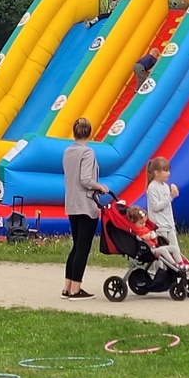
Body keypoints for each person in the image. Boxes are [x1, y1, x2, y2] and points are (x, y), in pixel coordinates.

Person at [62, 117, 109, 299]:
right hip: (86, 204)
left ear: (74, 132)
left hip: (72, 203)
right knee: (83, 248)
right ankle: (76, 289)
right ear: (90, 133)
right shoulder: (87, 152)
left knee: (76, 247)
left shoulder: (68, 152)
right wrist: (100, 187)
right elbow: (86, 179)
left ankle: (67, 287)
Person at [143, 155, 183, 265]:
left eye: (168, 171)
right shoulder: (152, 187)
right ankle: (161, 270)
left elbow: (167, 206)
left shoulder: (165, 186)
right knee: (162, 251)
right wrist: (171, 196)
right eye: (165, 171)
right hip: (160, 225)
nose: (168, 173)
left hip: (169, 223)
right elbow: (156, 207)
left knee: (175, 248)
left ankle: (179, 266)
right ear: (157, 172)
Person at [124, 204, 187, 273]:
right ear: (132, 222)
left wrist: (155, 237)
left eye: (144, 223)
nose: (143, 225)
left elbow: (155, 242)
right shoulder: (135, 231)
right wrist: (145, 237)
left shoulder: (145, 229)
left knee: (174, 248)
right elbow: (138, 240)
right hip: (147, 250)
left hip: (154, 247)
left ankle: (181, 263)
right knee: (163, 250)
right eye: (141, 223)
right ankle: (174, 264)